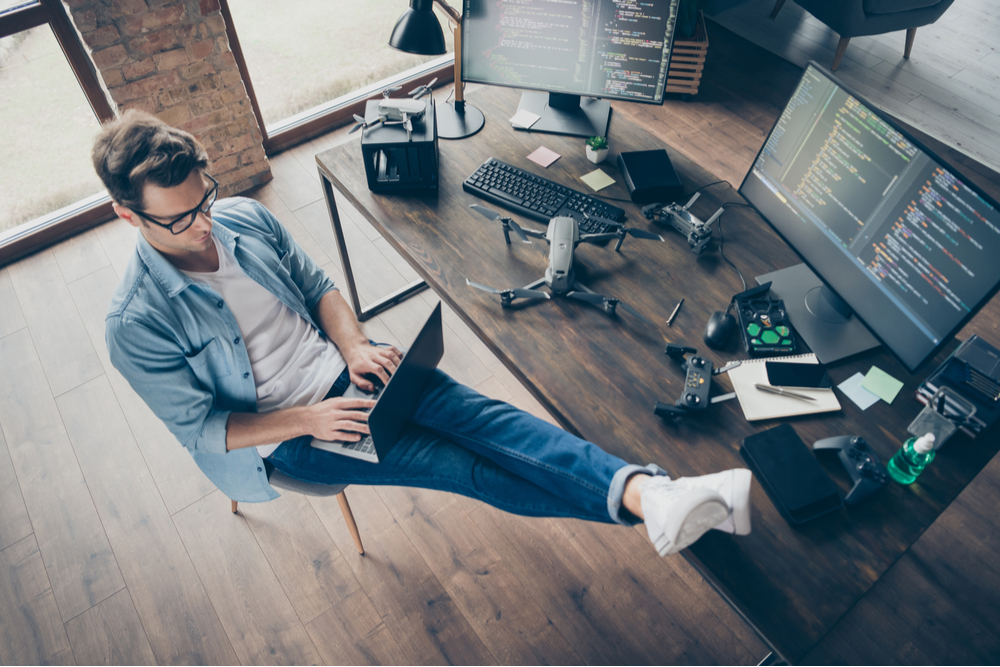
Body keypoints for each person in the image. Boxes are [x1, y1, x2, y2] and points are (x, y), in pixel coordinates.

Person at [95, 110, 752, 556]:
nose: (204, 223)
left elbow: (320, 287)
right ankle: (656, 500)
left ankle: (653, 497)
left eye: (204, 199)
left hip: (348, 370)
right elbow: (206, 429)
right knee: (464, 465)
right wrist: (309, 419)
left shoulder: (241, 218)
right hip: (290, 431)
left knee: (489, 420)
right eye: (180, 219)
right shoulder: (136, 320)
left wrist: (352, 344)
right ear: (128, 215)